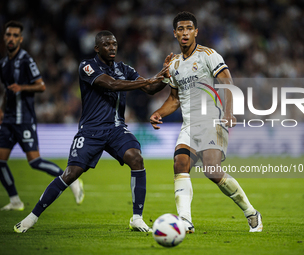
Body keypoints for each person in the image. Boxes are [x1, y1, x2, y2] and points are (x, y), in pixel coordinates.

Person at [14, 30, 173, 233]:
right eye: (106, 44)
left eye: (114, 43)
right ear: (97, 48)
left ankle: (137, 218)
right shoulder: (87, 66)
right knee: (71, 174)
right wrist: (149, 79)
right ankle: (32, 217)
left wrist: (165, 76)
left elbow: (150, 89)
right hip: (91, 130)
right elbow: (111, 84)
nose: (112, 47)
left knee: (136, 158)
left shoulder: (124, 68)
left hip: (116, 129)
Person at [150, 12, 263, 233]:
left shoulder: (208, 55)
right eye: (180, 29)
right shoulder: (173, 64)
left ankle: (251, 213)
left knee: (212, 170)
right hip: (189, 125)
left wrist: (229, 112)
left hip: (212, 120)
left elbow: (227, 81)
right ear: (175, 33)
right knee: (180, 164)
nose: (185, 33)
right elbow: (174, 99)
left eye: (189, 28)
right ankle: (185, 221)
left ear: (196, 32)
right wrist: (159, 112)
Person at [0, 20, 84, 211]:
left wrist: (22, 87)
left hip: (25, 120)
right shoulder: (4, 63)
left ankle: (70, 179)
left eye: (15, 35)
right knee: (0, 161)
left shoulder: (26, 60)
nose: (11, 38)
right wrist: (1, 110)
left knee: (35, 162)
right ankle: (15, 201)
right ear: (4, 37)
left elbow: (41, 85)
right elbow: (6, 91)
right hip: (8, 120)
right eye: (8, 35)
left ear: (20, 39)